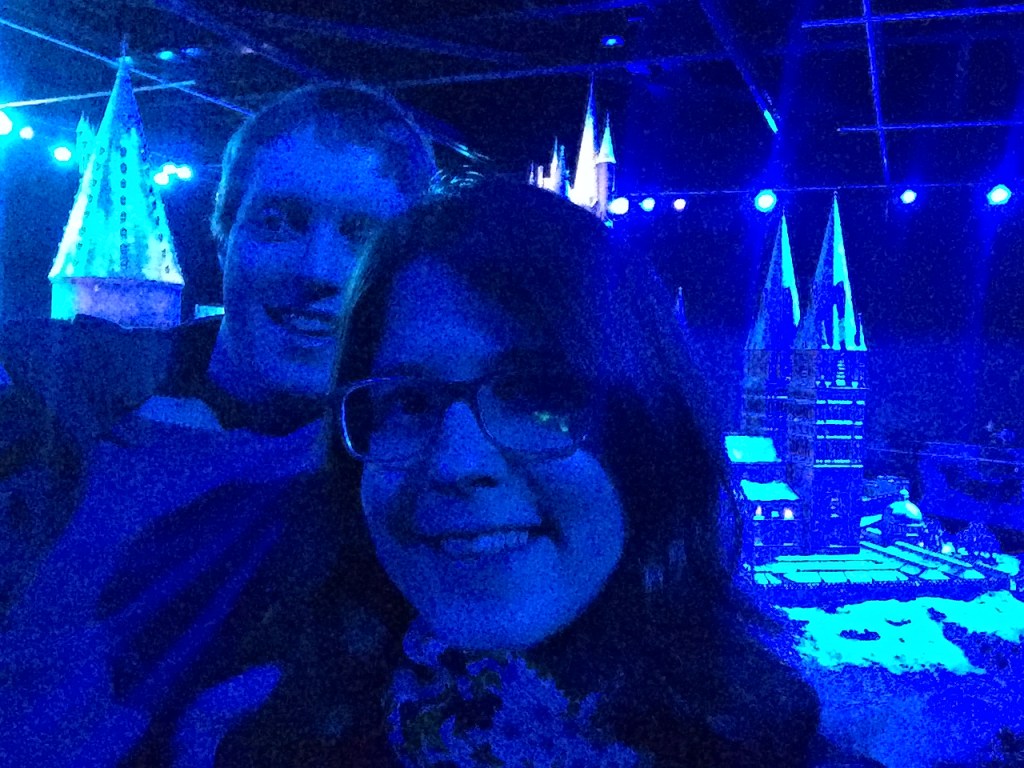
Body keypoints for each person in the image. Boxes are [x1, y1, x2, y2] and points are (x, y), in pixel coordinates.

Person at [322, 179, 880, 767]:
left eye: (540, 394)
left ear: (652, 440)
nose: (458, 463)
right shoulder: (282, 729)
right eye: (408, 402)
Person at [0, 82, 437, 765]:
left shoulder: (425, 478)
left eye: (361, 235)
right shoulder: (53, 402)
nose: (319, 270)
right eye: (279, 221)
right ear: (222, 231)